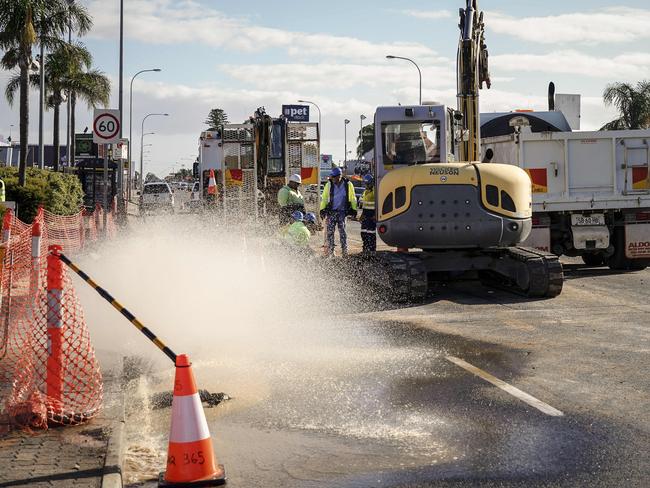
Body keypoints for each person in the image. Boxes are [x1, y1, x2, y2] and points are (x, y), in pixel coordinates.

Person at [320, 167, 357, 257]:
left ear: (339, 176)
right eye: (331, 177)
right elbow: (324, 198)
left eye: (334, 177)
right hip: (331, 212)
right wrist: (322, 209)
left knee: (343, 232)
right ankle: (331, 252)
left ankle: (344, 251)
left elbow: (353, 197)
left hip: (342, 212)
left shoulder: (348, 184)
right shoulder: (329, 185)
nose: (332, 179)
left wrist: (354, 209)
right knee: (330, 233)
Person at [359, 174, 376, 255]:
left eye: (368, 184)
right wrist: (362, 215)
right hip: (365, 214)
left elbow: (379, 204)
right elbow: (364, 205)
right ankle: (365, 249)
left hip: (372, 215)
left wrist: (376, 214)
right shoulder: (365, 192)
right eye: (366, 184)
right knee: (364, 233)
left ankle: (372, 251)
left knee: (371, 234)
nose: (366, 185)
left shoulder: (375, 192)